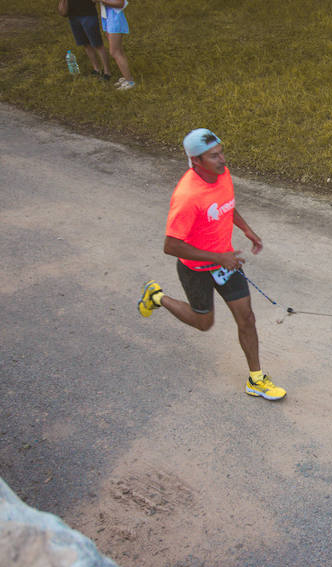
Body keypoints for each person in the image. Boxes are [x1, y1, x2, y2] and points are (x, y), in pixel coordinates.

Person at [137, 129, 287, 401]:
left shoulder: (222, 174)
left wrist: (246, 229)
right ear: (196, 161)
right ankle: (157, 297)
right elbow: (170, 245)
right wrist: (218, 258)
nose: (222, 159)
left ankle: (256, 378)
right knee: (203, 323)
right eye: (214, 155)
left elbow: (226, 206)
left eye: (221, 152)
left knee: (247, 318)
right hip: (196, 269)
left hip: (225, 263)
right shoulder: (187, 196)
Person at [66, 0, 111, 80]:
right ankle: (96, 69)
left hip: (88, 14)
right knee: (85, 44)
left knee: (97, 44)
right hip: (73, 15)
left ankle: (107, 72)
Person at [96, 0, 134, 90]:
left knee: (114, 52)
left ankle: (130, 82)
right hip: (108, 15)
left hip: (115, 17)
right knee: (119, 50)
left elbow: (120, 3)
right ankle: (128, 77)